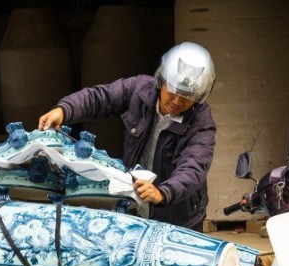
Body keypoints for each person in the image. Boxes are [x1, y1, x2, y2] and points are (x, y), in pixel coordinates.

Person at [38, 42, 216, 232]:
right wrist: (64, 110)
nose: (177, 101)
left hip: (179, 215)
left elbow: (194, 166)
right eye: (172, 91)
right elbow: (100, 98)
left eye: (187, 97)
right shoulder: (138, 90)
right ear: (161, 79)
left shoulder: (202, 123)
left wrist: (164, 192)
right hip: (133, 201)